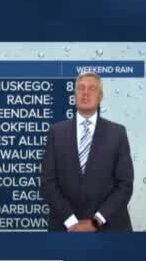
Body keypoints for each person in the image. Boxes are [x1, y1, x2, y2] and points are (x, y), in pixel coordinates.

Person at [39, 72, 135, 232]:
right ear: (74, 95)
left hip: (110, 228)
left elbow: (124, 184)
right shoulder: (56, 132)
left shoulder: (118, 133)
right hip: (65, 228)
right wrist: (71, 221)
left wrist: (96, 222)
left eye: (92, 88)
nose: (85, 93)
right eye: (80, 88)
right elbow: (47, 182)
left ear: (100, 97)